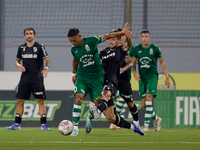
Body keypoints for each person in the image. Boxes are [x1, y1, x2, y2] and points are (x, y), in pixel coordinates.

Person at [67, 23, 129, 136]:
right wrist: (74, 73)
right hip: (83, 77)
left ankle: (89, 118)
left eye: (74, 41)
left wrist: (122, 32)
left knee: (95, 105)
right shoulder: (74, 49)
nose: (73, 43)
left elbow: (108, 36)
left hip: (97, 78)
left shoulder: (92, 40)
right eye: (71, 41)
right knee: (78, 98)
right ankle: (75, 127)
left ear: (80, 36)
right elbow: (75, 60)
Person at [85, 25, 145, 136]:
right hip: (101, 81)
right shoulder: (104, 51)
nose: (111, 42)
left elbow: (129, 48)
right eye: (110, 40)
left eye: (113, 39)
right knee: (111, 118)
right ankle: (133, 127)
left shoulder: (120, 50)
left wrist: (128, 37)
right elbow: (94, 58)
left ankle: (94, 112)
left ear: (118, 41)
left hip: (114, 80)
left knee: (113, 98)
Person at [6, 27, 51, 130]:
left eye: (31, 33)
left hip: (37, 79)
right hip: (24, 79)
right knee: (19, 101)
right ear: (24, 36)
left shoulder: (40, 47)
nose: (29, 35)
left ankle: (43, 125)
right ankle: (17, 124)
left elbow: (47, 60)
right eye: (27, 34)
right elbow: (17, 61)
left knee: (40, 101)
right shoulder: (21, 48)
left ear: (34, 35)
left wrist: (46, 68)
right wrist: (18, 66)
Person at [131, 29, 170, 132]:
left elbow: (162, 62)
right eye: (143, 37)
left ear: (149, 37)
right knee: (144, 105)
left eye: (146, 36)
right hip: (142, 79)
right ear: (140, 38)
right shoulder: (137, 49)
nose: (144, 38)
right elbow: (133, 63)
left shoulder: (155, 48)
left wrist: (167, 76)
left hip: (152, 77)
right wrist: (134, 72)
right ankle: (157, 118)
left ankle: (146, 126)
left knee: (149, 100)